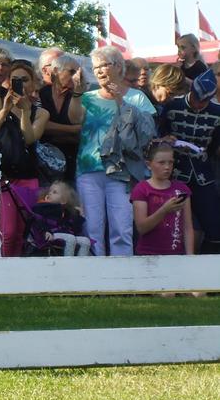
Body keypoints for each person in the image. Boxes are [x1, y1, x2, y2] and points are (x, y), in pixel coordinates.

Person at [68, 45, 156, 256]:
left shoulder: (136, 97)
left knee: (122, 228)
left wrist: (120, 101)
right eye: (95, 67)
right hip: (89, 170)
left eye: (103, 66)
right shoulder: (87, 97)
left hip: (122, 171)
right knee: (91, 229)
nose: (98, 71)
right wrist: (77, 93)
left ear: (118, 66)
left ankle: (123, 274)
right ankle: (94, 273)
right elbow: (74, 119)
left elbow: (147, 131)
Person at [0, 60, 50, 256]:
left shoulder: (41, 113)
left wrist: (24, 112)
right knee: (7, 232)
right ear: (7, 82)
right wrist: (5, 110)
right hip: (1, 174)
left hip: (27, 175)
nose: (20, 83)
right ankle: (2, 268)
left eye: (24, 79)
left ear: (33, 83)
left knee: (22, 231)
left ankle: (17, 270)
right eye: (15, 79)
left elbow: (29, 139)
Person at [156, 68, 220, 254]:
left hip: (202, 174)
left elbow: (215, 146)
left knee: (214, 226)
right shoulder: (172, 105)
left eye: (204, 101)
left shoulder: (217, 112)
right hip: (173, 172)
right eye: (196, 99)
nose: (199, 104)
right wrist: (165, 140)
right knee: (170, 223)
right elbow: (158, 135)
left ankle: (204, 263)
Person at [131, 141, 193, 256]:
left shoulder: (181, 189)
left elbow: (187, 227)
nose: (167, 167)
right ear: (148, 164)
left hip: (176, 255)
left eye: (170, 162)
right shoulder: (141, 189)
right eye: (161, 163)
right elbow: (141, 228)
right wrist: (164, 210)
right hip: (147, 255)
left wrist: (190, 257)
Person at [39, 54, 84, 183]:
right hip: (43, 164)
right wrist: (72, 130)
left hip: (71, 163)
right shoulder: (40, 93)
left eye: (78, 73)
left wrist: (52, 132)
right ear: (56, 71)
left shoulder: (77, 98)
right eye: (72, 72)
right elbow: (39, 125)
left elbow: (82, 133)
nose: (76, 77)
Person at [31, 180, 92, 256]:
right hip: (50, 234)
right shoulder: (42, 207)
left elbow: (75, 230)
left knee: (86, 241)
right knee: (70, 239)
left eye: (54, 192)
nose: (50, 193)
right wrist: (45, 231)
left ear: (63, 201)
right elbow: (39, 221)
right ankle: (68, 261)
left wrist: (80, 217)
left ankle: (81, 261)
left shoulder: (65, 212)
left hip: (63, 234)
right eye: (50, 191)